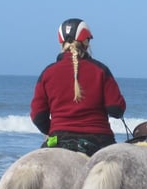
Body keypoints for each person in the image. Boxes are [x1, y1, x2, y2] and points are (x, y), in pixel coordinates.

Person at [30, 18, 127, 156]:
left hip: (58, 139)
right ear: (86, 42)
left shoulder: (47, 73)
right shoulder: (100, 70)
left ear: (62, 43)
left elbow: (37, 116)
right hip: (99, 141)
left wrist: (53, 129)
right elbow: (116, 109)